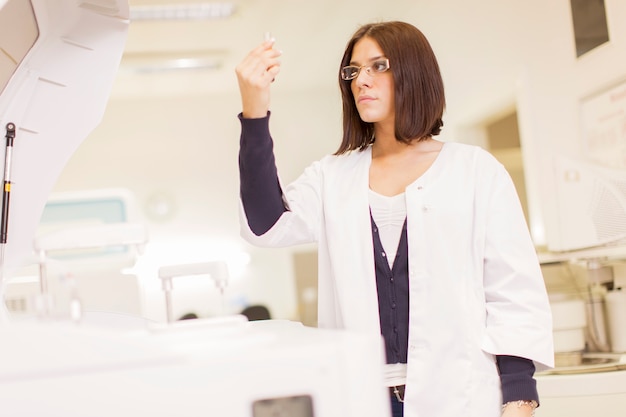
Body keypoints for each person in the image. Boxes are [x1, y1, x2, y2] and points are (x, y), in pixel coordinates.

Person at [234, 21, 554, 417]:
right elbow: (265, 226)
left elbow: (513, 296)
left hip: (461, 397)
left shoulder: (475, 172)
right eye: (353, 71)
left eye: (377, 66)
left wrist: (519, 401)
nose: (360, 81)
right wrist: (255, 110)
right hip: (362, 398)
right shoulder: (333, 176)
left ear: (414, 72)